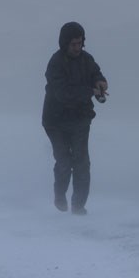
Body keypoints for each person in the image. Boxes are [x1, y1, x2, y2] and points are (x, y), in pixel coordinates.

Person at [42, 22, 108, 215]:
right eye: (73, 44)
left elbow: (96, 73)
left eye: (80, 43)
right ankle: (59, 196)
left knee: (81, 163)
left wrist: (100, 82)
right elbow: (64, 94)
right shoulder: (55, 64)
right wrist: (90, 90)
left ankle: (79, 206)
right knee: (64, 162)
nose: (77, 47)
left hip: (80, 119)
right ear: (65, 43)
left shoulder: (87, 60)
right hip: (55, 121)